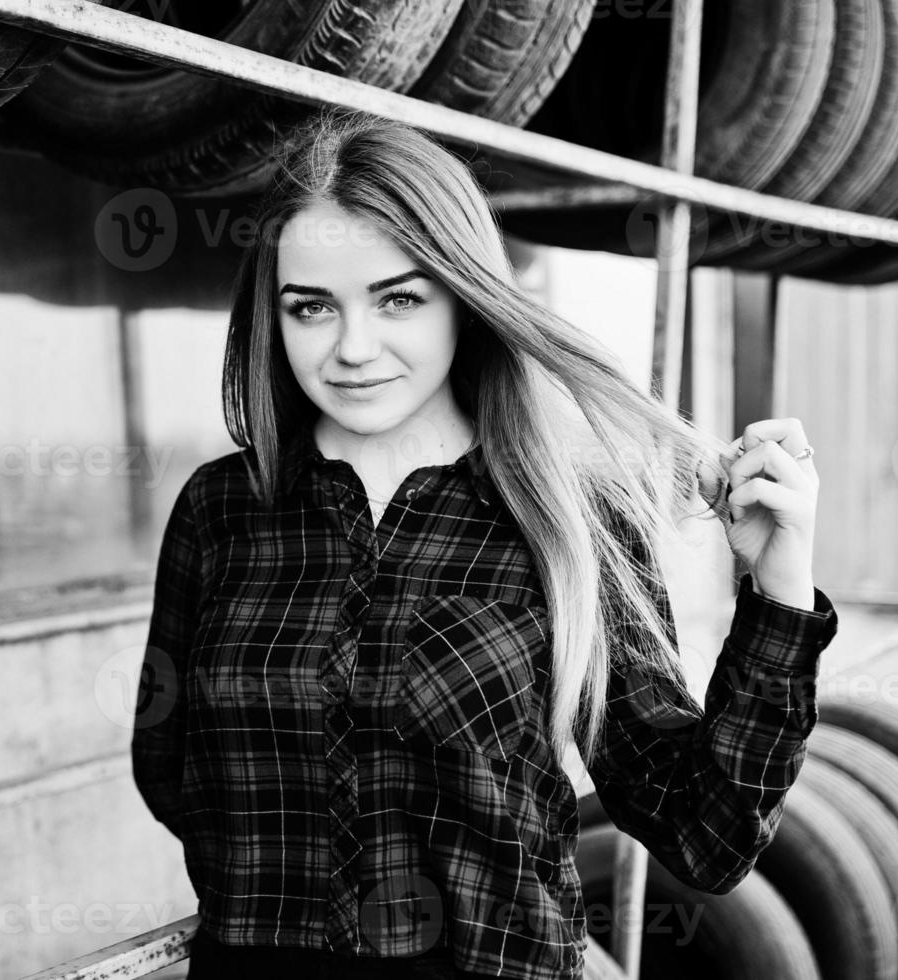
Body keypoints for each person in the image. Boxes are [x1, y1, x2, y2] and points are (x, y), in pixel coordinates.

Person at [132, 107, 838, 980]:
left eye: (397, 298)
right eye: (310, 306)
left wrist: (779, 590)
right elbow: (168, 769)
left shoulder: (569, 516)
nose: (352, 348)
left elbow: (703, 835)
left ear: (464, 297)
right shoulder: (220, 508)